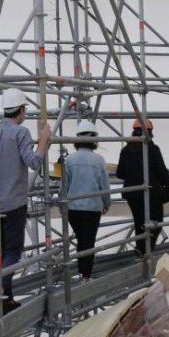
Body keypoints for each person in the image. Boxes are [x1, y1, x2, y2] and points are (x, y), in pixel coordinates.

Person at [0, 87, 51, 312]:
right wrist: (44, 140)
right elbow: (33, 162)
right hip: (14, 203)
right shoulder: (20, 133)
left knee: (0, 250)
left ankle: (5, 295)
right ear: (21, 110)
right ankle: (1, 291)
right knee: (12, 251)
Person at [62, 120, 111, 280]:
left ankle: (81, 272)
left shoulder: (69, 160)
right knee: (88, 242)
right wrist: (106, 203)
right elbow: (104, 185)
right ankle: (86, 275)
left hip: (73, 208)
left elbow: (65, 186)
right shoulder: (99, 160)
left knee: (81, 241)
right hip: (92, 208)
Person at [115, 118, 169, 255]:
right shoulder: (152, 149)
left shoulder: (126, 150)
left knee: (140, 223)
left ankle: (140, 250)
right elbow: (162, 171)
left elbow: (120, 173)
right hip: (151, 193)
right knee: (156, 223)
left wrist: (133, 174)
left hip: (132, 194)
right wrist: (168, 191)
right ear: (149, 132)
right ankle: (145, 251)